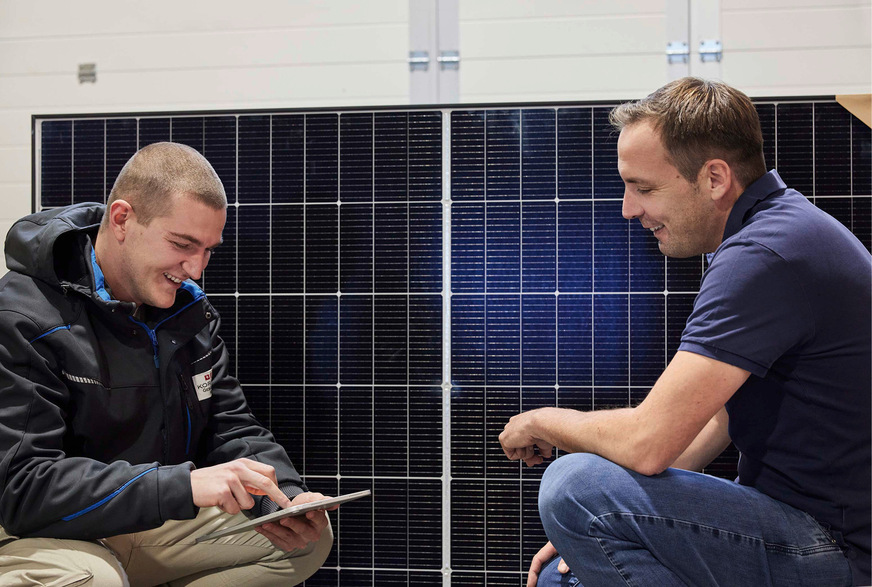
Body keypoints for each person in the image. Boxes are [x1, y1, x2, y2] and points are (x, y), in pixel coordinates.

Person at [499, 77, 871, 586]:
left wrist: (540, 421)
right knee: (566, 574)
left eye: (644, 188)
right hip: (805, 529)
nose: (629, 209)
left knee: (572, 483)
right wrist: (616, 524)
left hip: (834, 549)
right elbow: (713, 418)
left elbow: (649, 443)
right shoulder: (779, 234)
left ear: (715, 178)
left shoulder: (763, 256)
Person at [0, 142, 333, 586]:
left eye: (209, 250)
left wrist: (283, 498)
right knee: (91, 579)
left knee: (305, 540)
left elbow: (230, 426)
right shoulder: (22, 317)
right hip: (37, 531)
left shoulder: (188, 315)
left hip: (141, 523)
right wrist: (181, 486)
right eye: (182, 244)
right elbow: (22, 489)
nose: (196, 269)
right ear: (122, 220)